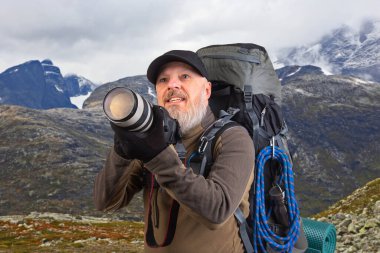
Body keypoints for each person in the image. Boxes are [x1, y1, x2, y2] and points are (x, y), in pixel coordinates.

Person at [94, 50, 254, 253]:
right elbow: (105, 202)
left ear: (206, 90)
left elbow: (217, 211)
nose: (172, 85)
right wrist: (122, 151)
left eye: (184, 76)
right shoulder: (152, 139)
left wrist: (157, 155)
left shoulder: (233, 138)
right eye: (163, 80)